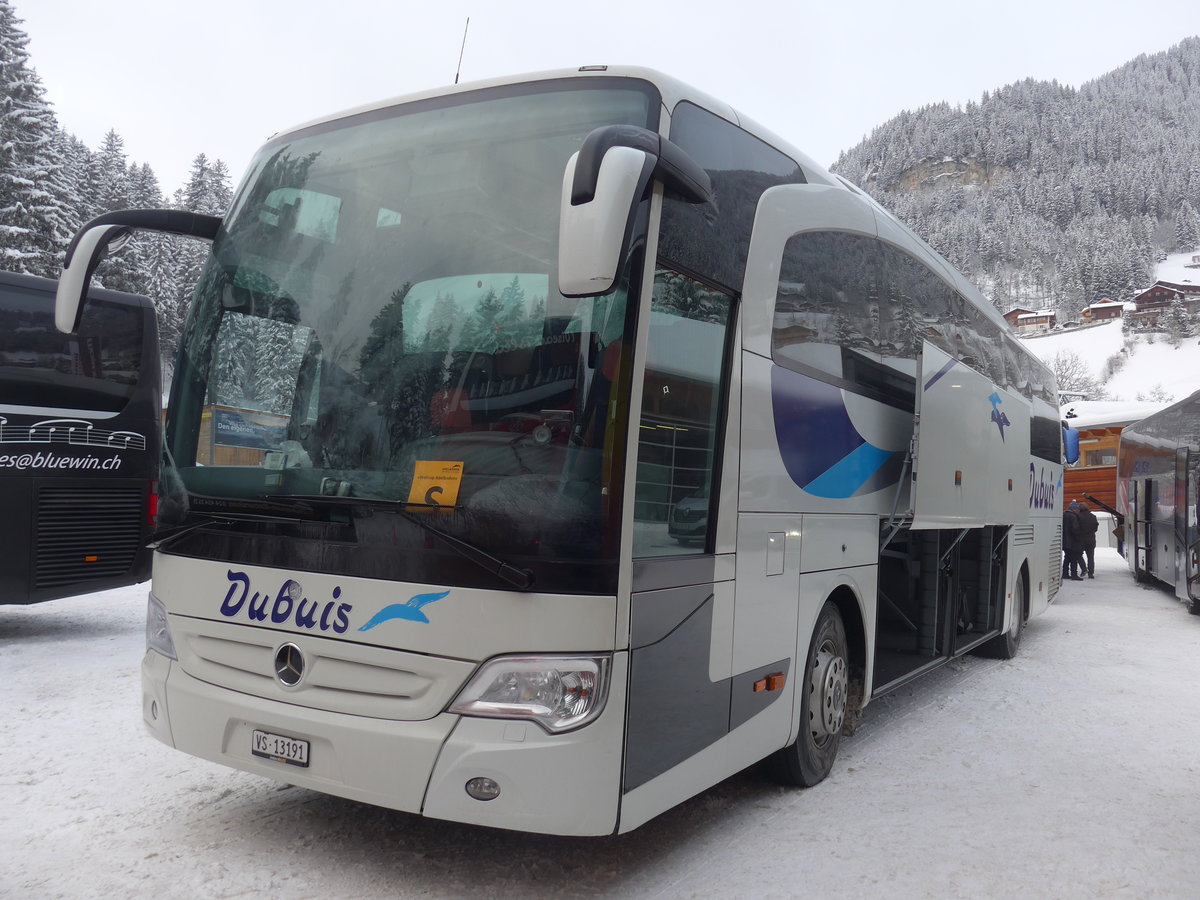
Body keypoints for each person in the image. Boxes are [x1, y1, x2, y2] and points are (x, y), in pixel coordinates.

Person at [1076, 500, 1100, 578]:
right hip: (1091, 539)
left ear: (1079, 508)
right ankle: (1091, 573)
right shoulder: (1093, 516)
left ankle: (1083, 569)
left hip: (1080, 539)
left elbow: (1076, 528)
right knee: (1090, 557)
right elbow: (1096, 528)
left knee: (1078, 555)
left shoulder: (1078, 516)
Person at [1062, 502, 1084, 581]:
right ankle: (1074, 574)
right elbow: (1075, 529)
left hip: (1065, 541)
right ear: (1074, 509)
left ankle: (1065, 573)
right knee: (1074, 558)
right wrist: (1079, 539)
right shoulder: (1073, 517)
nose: (1078, 510)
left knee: (1067, 558)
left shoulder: (1063, 515)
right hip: (1072, 542)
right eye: (1077, 509)